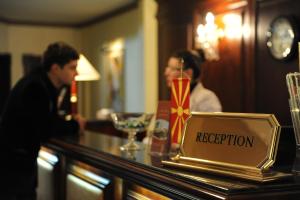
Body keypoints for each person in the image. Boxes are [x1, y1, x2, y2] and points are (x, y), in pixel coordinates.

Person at [0, 42, 86, 199]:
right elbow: (46, 129)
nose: (76, 73)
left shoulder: (41, 82)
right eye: (72, 67)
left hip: (17, 165)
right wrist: (75, 125)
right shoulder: (35, 87)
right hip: (13, 169)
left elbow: (47, 120)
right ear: (55, 68)